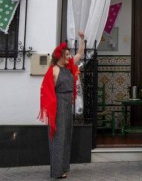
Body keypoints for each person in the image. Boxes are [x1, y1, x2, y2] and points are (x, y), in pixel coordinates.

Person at [38, 31, 85, 179]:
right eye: (66, 55)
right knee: (58, 137)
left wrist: (82, 39)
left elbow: (80, 53)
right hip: (58, 105)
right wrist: (52, 109)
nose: (69, 57)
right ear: (60, 56)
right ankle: (56, 171)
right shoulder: (54, 70)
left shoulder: (69, 66)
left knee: (66, 137)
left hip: (67, 104)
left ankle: (63, 168)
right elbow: (45, 90)